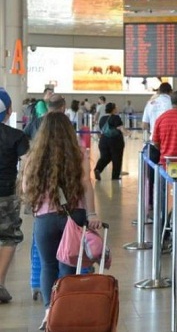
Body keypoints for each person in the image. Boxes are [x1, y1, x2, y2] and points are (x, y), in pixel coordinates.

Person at [21, 113, 102, 329]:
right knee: (68, 266)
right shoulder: (78, 153)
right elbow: (86, 183)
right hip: (73, 216)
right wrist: (92, 214)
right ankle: (66, 312)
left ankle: (49, 312)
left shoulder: (34, 155)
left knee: (47, 265)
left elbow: (26, 187)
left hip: (44, 218)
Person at [0, 89, 29, 303]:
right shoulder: (17, 136)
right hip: (6, 195)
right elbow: (28, 163)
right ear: (9, 111)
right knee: (9, 237)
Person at [94, 103, 129, 181]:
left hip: (103, 140)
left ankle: (98, 169)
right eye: (116, 108)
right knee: (117, 158)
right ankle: (115, 176)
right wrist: (127, 133)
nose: (117, 109)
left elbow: (100, 128)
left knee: (105, 157)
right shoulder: (116, 117)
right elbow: (120, 127)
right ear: (113, 110)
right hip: (115, 141)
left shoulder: (102, 118)